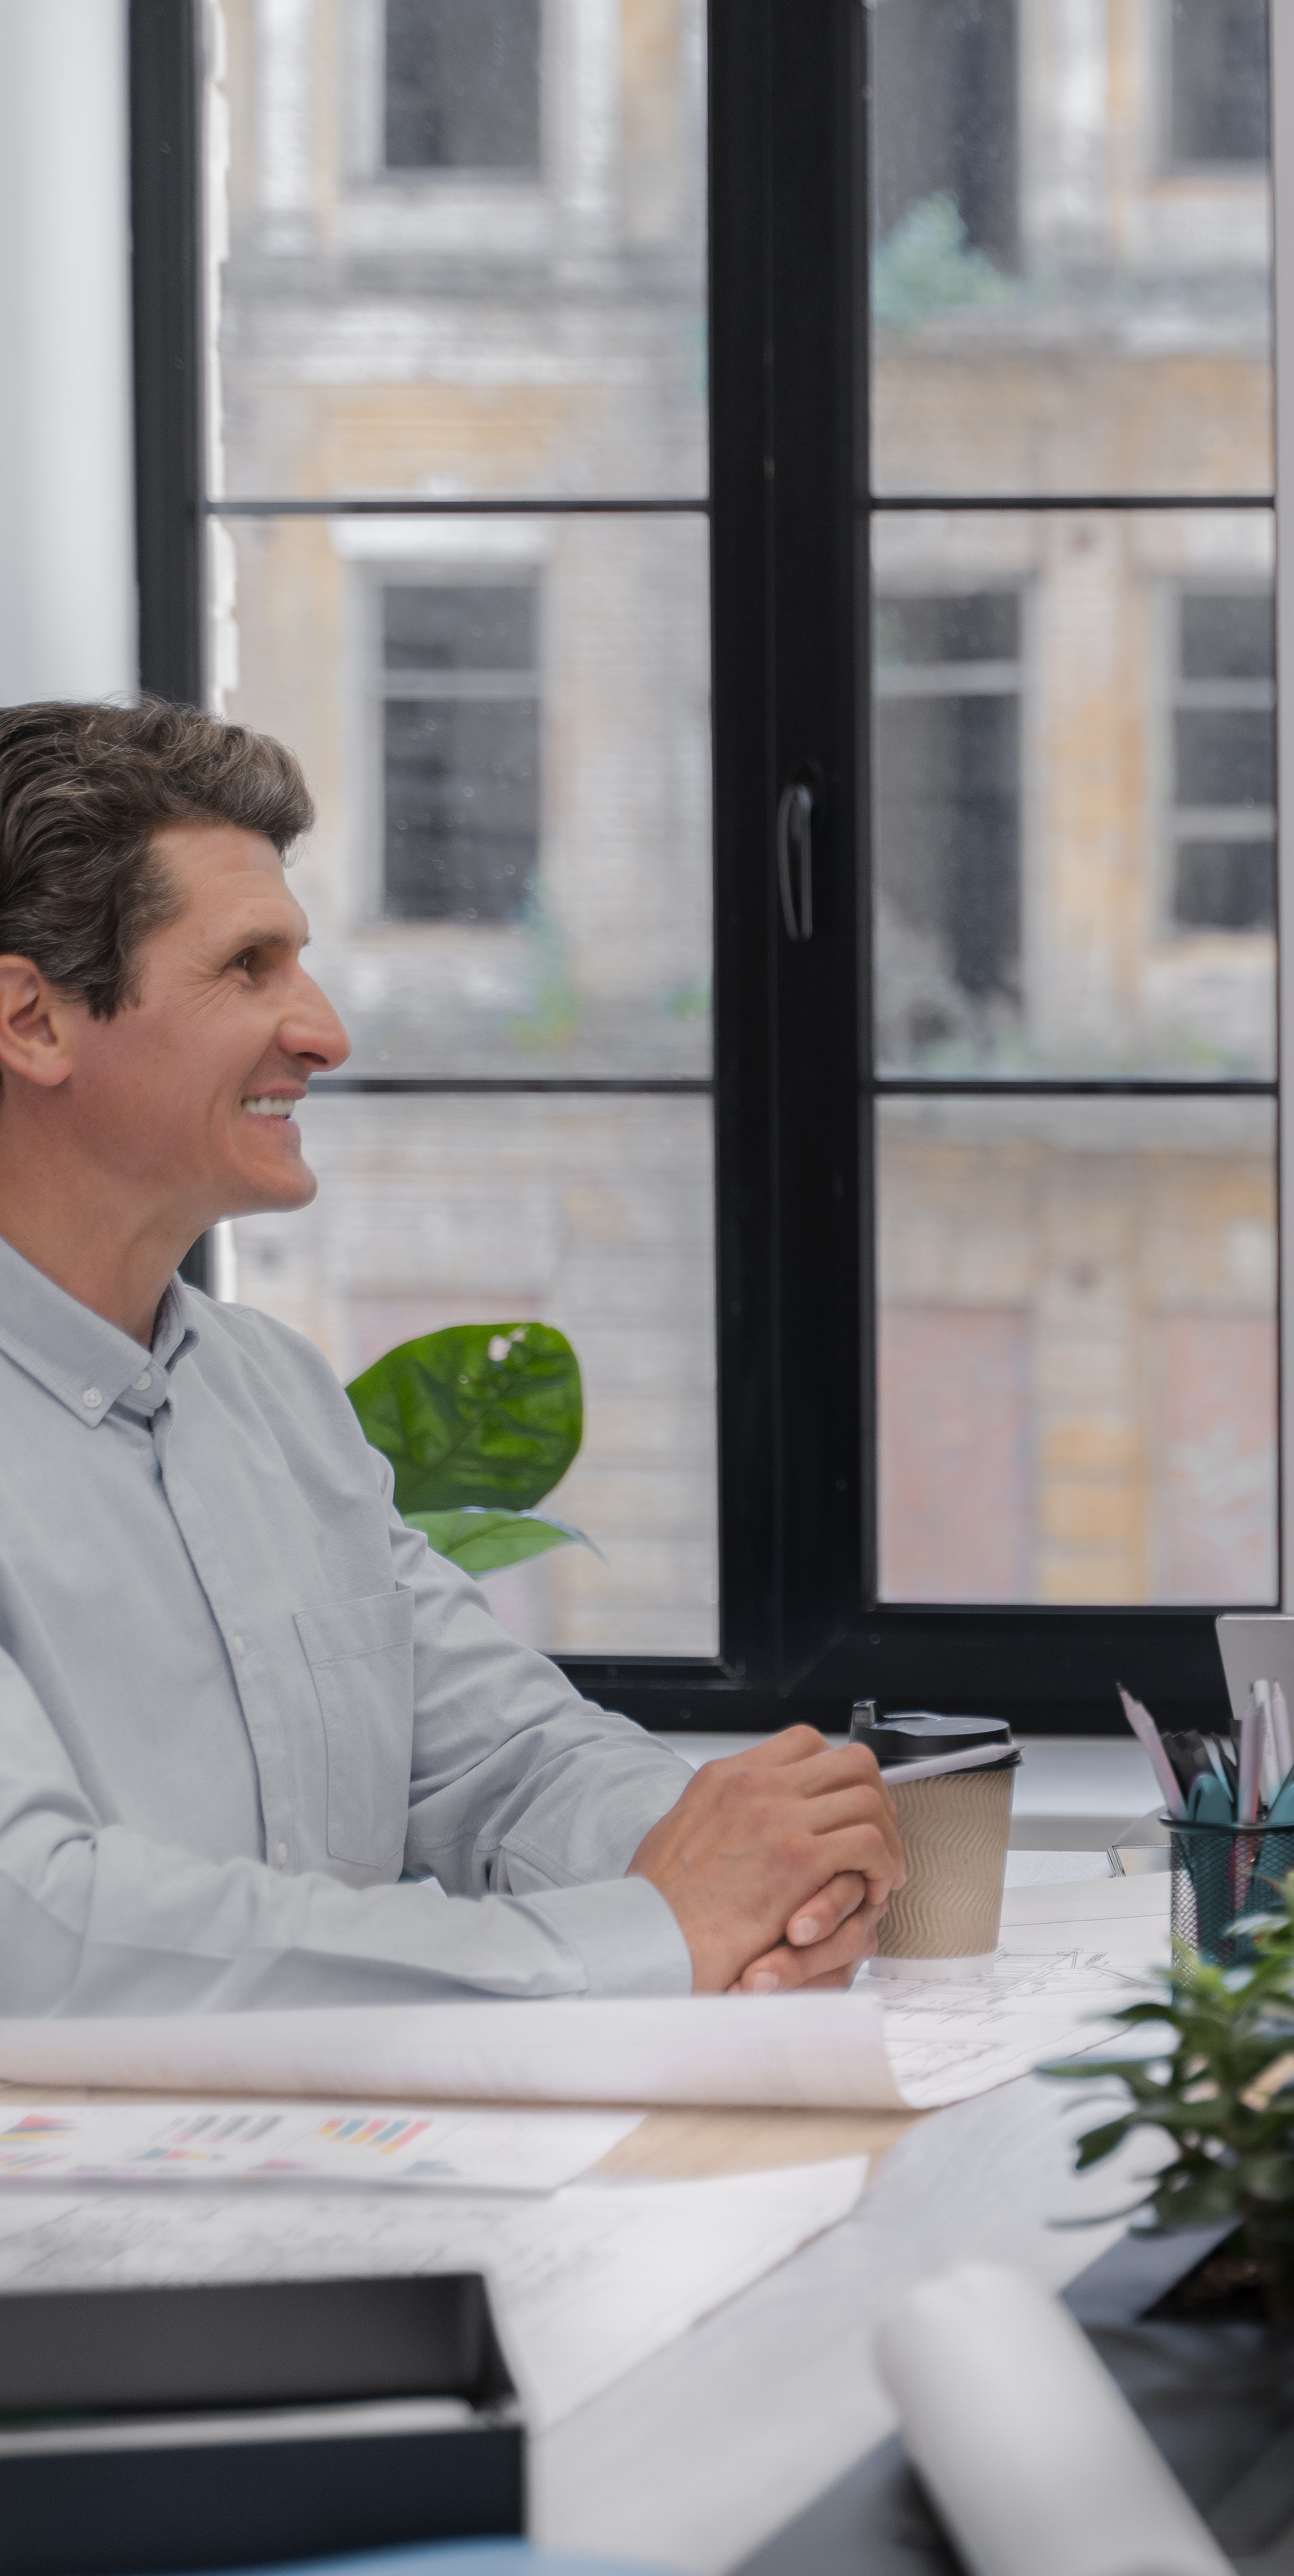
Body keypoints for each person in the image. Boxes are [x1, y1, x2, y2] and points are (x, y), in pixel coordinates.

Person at [0, 698, 901, 2013]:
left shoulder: (275, 1399)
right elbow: (44, 1929)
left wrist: (766, 1874)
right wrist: (654, 1931)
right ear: (31, 1021)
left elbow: (509, 1762)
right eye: (248, 967)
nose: (323, 1033)